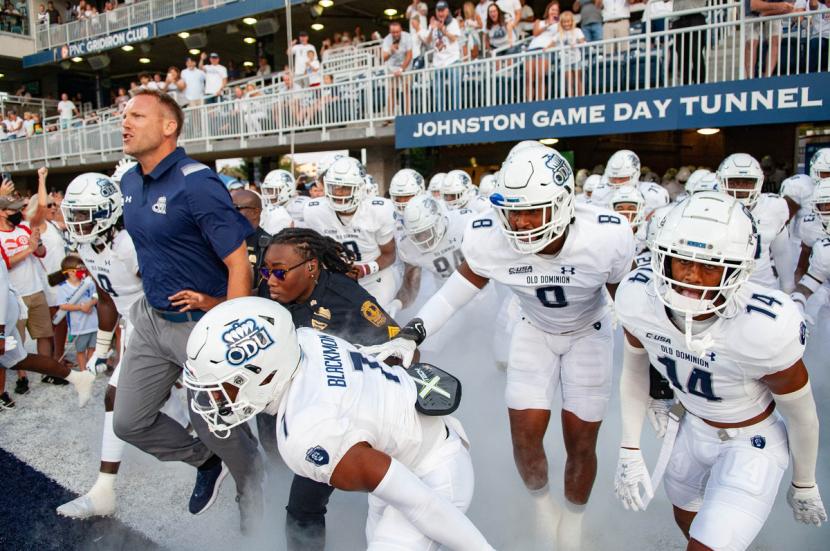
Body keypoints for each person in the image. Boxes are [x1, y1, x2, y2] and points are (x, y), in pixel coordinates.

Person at [363, 144, 637, 551]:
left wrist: (660, 383)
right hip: (533, 330)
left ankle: (575, 521)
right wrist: (412, 333)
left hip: (588, 333)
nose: (521, 222)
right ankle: (543, 506)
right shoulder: (491, 235)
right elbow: (457, 291)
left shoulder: (606, 235)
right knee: (525, 438)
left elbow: (633, 311)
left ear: (563, 203)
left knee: (581, 441)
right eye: (513, 211)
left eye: (533, 211)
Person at [183, 296, 495, 551]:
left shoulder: (308, 434)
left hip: (432, 472)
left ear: (263, 374)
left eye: (219, 386)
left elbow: (424, 504)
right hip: (409, 448)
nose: (213, 398)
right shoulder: (304, 339)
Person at [613, 192, 826, 549]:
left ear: (738, 270)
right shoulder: (639, 298)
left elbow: (802, 415)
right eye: (681, 261)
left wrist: (804, 481)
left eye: (710, 265)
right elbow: (634, 371)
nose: (692, 277)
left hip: (750, 442)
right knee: (687, 522)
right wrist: (630, 447)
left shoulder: (764, 326)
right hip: (689, 430)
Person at [115, 89, 262, 531]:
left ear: (168, 127)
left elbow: (239, 262)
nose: (124, 123)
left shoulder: (196, 181)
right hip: (152, 319)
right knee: (129, 421)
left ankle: (252, 486)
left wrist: (226, 324)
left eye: (137, 116)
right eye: (124, 116)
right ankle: (204, 462)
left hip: (201, 324)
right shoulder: (127, 180)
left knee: (214, 421)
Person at [55, 170, 190, 519]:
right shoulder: (86, 245)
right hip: (136, 323)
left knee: (132, 393)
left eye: (86, 214)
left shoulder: (130, 243)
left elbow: (161, 287)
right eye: (74, 213)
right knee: (129, 395)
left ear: (109, 211)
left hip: (163, 319)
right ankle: (108, 488)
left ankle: (230, 456)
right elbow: (106, 297)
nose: (78, 222)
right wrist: (102, 349)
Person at [257, 228, 401, 549]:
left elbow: (398, 347)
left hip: (338, 412)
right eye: (266, 271)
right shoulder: (270, 290)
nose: (271, 280)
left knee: (302, 509)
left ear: (310, 267)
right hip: (285, 403)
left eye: (279, 272)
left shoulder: (347, 297)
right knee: (278, 464)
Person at [0, 238, 95, 410]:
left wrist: (0, 332)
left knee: (18, 359)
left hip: (3, 311)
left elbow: (1, 289)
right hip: (6, 309)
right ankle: (78, 378)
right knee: (20, 360)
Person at [302, 157, 400, 310]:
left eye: (345, 187)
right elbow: (315, 252)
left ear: (359, 188)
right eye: (335, 187)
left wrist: (365, 269)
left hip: (375, 278)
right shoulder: (314, 211)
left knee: (377, 324)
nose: (339, 192)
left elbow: (389, 254)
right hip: (337, 278)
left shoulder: (378, 210)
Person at [717, 153, 794, 291]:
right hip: (721, 287)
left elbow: (781, 252)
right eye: (734, 181)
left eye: (747, 181)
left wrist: (787, 287)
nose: (740, 188)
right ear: (721, 181)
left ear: (759, 182)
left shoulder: (774, 207)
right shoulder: (710, 207)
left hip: (762, 287)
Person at [55, 256, 98, 370]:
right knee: (80, 350)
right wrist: (80, 307)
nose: (82, 272)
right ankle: (83, 370)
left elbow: (96, 296)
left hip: (93, 323)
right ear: (69, 272)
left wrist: (90, 303)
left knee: (93, 348)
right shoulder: (63, 287)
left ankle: (90, 368)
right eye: (78, 269)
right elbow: (63, 305)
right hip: (79, 326)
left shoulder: (88, 283)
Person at [230, 189, 271, 298]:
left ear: (255, 212)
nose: (229, 213)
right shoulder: (223, 241)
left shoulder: (269, 245)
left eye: (235, 208)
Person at [427, 1, 462, 111]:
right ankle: (440, 114)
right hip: (438, 62)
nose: (440, 13)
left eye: (442, 10)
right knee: (438, 91)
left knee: (454, 89)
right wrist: (432, 29)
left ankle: (456, 113)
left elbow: (454, 39)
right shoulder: (433, 23)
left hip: (452, 59)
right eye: (438, 11)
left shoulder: (453, 22)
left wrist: (443, 30)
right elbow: (428, 41)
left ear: (447, 10)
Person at [671, 0, 708, 84]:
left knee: (696, 52)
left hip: (696, 15)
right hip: (678, 19)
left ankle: (700, 84)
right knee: (682, 55)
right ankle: (686, 85)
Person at [382, 20, 414, 116]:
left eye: (397, 32)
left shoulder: (407, 37)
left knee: (406, 90)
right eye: (393, 32)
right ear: (390, 32)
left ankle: (407, 115)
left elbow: (409, 55)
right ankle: (388, 117)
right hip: (392, 68)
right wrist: (390, 51)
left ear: (401, 30)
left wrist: (401, 69)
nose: (395, 34)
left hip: (406, 67)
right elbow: (384, 57)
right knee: (391, 91)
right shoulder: (387, 40)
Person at [259, 169, 297, 235]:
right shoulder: (269, 208)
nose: (268, 194)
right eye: (267, 190)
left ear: (287, 189)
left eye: (271, 190)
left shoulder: (296, 207)